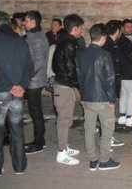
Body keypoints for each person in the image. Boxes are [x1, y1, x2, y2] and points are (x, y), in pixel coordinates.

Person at [0, 11, 31, 177]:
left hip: (0, 91)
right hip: (18, 92)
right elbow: (29, 67)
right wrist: (21, 86)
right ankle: (19, 167)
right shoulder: (20, 40)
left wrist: (9, 86)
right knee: (17, 129)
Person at [77, 24, 121, 171]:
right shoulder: (104, 55)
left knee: (89, 129)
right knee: (107, 129)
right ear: (102, 38)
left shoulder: (81, 54)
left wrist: (83, 95)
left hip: (87, 98)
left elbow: (79, 77)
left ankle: (93, 160)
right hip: (102, 99)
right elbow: (110, 79)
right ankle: (104, 160)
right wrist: (112, 99)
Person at [52, 14, 84, 165]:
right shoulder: (70, 43)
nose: (82, 31)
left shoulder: (62, 41)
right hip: (64, 85)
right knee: (64, 120)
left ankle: (64, 146)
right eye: (81, 28)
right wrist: (77, 84)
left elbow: (55, 65)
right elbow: (72, 67)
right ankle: (61, 153)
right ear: (75, 28)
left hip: (63, 83)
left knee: (66, 118)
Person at [23, 11, 49, 154]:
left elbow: (38, 61)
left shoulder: (37, 37)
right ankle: (40, 140)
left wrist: (26, 76)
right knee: (35, 111)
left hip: (34, 81)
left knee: (36, 112)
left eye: (26, 21)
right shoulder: (34, 35)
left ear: (33, 22)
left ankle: (39, 142)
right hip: (34, 79)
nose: (24, 23)